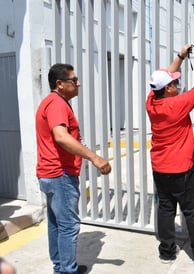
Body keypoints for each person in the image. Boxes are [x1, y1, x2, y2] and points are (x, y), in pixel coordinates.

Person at [146, 44, 194, 265]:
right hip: (181, 170)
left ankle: (167, 252)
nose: (177, 83)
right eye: (175, 82)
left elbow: (166, 75)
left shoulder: (152, 101)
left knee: (166, 209)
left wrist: (180, 56)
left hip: (160, 168)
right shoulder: (176, 104)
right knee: (192, 211)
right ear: (168, 88)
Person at [36, 63, 112, 274]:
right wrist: (95, 157)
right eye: (73, 80)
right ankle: (66, 271)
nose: (78, 84)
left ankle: (61, 267)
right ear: (60, 84)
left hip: (49, 173)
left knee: (56, 225)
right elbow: (61, 137)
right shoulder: (57, 104)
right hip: (60, 174)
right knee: (68, 227)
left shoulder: (51, 102)